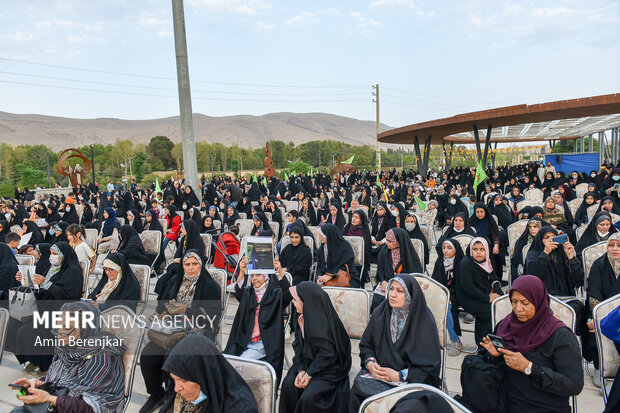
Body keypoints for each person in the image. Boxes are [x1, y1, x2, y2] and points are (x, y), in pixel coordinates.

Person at [479, 275, 583, 413]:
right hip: (505, 401)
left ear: (538, 301)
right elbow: (493, 368)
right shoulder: (506, 326)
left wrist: (529, 367)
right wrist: (495, 355)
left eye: (525, 303)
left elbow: (573, 385)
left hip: (544, 405)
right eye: (514, 302)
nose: (518, 308)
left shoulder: (560, 336)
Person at [139, 250, 221, 412]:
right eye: (187, 264)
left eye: (194, 264)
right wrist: (160, 313)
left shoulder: (211, 287)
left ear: (201, 265)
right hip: (172, 329)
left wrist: (186, 310)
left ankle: (173, 396)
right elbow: (165, 305)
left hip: (196, 331)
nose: (190, 268)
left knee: (172, 358)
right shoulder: (176, 281)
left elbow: (211, 318)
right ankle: (157, 394)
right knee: (147, 356)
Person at [11, 301, 126, 412]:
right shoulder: (69, 349)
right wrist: (39, 384)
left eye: (67, 328)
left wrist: (49, 398)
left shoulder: (102, 357)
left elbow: (94, 407)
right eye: (58, 326)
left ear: (86, 328)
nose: (59, 334)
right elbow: (62, 382)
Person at [349, 273, 441, 412]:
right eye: (391, 289)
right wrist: (371, 363)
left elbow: (429, 369)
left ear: (410, 295)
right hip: (380, 376)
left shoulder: (424, 322)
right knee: (354, 396)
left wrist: (399, 375)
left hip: (411, 381)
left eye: (399, 291)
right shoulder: (381, 312)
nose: (392, 294)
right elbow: (366, 345)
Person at [8, 242, 83, 373]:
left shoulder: (73, 271)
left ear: (63, 256)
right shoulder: (51, 269)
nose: (52, 257)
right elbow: (39, 289)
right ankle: (32, 359)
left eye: (55, 254)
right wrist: (24, 280)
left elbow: (68, 296)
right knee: (18, 329)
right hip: (45, 309)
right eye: (51, 254)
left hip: (63, 313)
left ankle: (45, 365)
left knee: (32, 331)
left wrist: (46, 284)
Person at [278, 282, 351, 413]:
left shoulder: (321, 323)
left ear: (306, 301)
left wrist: (309, 373)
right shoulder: (300, 316)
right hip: (308, 361)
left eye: (295, 300)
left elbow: (328, 354)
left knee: (310, 398)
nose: (293, 303)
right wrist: (301, 369)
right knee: (288, 385)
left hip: (329, 366)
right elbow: (298, 345)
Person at [224, 256, 292, 383]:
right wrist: (242, 272)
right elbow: (239, 293)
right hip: (244, 339)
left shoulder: (275, 294)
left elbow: (288, 295)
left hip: (262, 343)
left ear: (266, 276)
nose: (254, 279)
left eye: (258, 275)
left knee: (237, 368)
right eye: (253, 275)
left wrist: (280, 271)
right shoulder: (250, 293)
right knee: (222, 363)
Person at [160, 335, 259, 413]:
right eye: (174, 379)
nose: (176, 389)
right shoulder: (182, 398)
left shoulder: (241, 408)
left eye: (183, 380)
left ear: (203, 375)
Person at [583, 232, 620, 385]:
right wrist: (596, 316)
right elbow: (594, 295)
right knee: (594, 324)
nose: (615, 249)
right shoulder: (599, 265)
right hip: (602, 311)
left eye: (618, 245)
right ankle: (600, 367)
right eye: (611, 245)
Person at [455, 237, 501, 348]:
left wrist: (498, 293)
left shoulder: (487, 261)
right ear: (471, 250)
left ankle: (494, 342)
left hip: (483, 293)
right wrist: (487, 298)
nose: (479, 252)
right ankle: (483, 345)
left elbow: (494, 278)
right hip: (467, 297)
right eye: (475, 249)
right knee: (489, 312)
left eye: (482, 249)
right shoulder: (466, 264)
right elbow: (468, 288)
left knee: (502, 306)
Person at [524, 226, 583, 297]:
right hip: (542, 296)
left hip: (565, 295)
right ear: (540, 240)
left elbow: (578, 279)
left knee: (577, 306)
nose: (550, 240)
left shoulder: (562, 252)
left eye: (553, 237)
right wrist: (546, 253)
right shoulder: (534, 254)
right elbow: (532, 276)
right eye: (547, 237)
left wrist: (570, 256)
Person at [373, 228, 423, 311]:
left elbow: (414, 275)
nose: (387, 243)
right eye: (386, 240)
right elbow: (380, 270)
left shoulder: (408, 254)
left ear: (398, 241)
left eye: (390, 241)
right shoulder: (385, 251)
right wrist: (383, 281)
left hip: (404, 285)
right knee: (377, 301)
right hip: (387, 282)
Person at [432, 239, 467, 356]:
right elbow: (435, 280)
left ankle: (455, 340)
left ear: (456, 250)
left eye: (449, 248)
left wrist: (448, 294)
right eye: (444, 248)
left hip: (459, 293)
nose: (445, 251)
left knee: (447, 308)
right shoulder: (440, 261)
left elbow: (463, 284)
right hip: (444, 292)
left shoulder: (462, 263)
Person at [316, 223, 361, 288]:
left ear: (328, 236)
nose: (319, 237)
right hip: (326, 275)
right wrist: (319, 277)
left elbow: (347, 266)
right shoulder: (323, 247)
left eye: (321, 235)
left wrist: (331, 275)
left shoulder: (345, 246)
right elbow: (320, 264)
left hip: (345, 276)